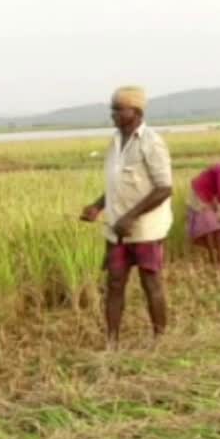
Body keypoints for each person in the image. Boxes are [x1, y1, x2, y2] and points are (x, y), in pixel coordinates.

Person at [80, 86, 174, 349]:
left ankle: (160, 340)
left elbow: (164, 188)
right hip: (116, 226)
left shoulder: (151, 143)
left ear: (136, 112)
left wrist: (130, 217)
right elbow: (116, 184)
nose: (113, 114)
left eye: (118, 109)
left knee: (150, 282)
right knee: (114, 283)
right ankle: (112, 343)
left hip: (145, 229)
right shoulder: (115, 141)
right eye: (112, 108)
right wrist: (97, 207)